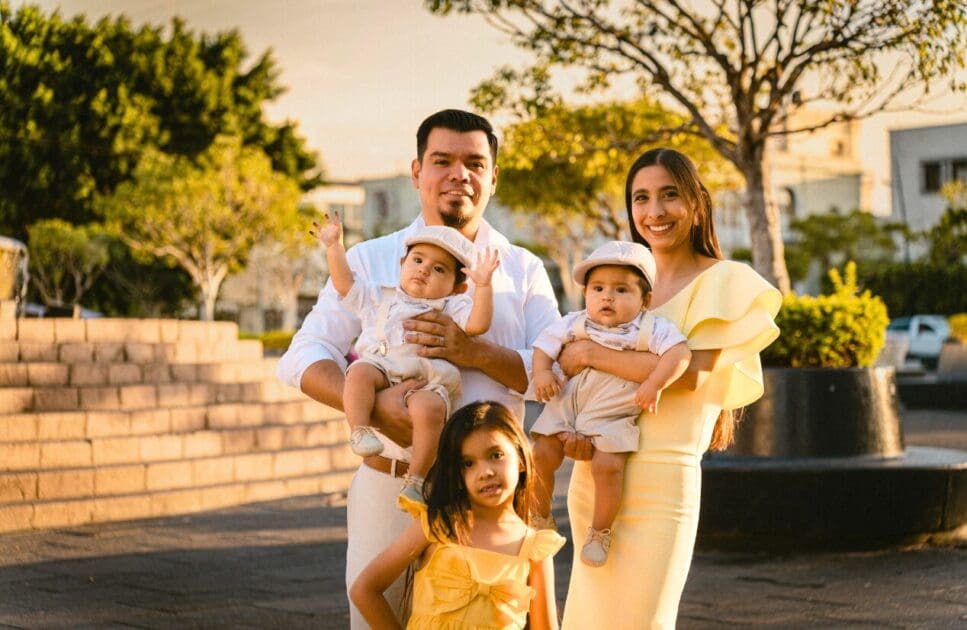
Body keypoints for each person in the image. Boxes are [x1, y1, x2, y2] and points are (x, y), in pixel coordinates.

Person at [276, 109, 560, 628]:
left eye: (475, 162)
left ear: (493, 176)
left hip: (493, 498)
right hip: (392, 486)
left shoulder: (523, 269)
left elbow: (556, 374)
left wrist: (472, 352)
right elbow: (303, 356)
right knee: (377, 617)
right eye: (442, 161)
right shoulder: (370, 259)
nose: (460, 174)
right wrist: (377, 408)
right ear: (416, 172)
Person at [557, 148, 782, 629]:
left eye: (669, 195)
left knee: (646, 621)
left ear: (697, 201)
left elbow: (692, 375)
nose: (654, 212)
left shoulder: (725, 281)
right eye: (641, 198)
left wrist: (592, 355)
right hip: (595, 479)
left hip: (664, 483)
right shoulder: (617, 283)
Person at [311, 215, 500, 504]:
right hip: (382, 366)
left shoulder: (451, 306)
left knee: (431, 410)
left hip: (427, 377)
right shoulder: (381, 296)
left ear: (456, 286)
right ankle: (359, 430)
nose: (424, 271)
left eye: (438, 269)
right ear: (402, 264)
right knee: (358, 373)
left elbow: (477, 325)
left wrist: (484, 286)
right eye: (418, 260)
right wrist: (334, 246)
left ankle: (418, 478)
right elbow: (345, 284)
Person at [529, 240, 692, 568]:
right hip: (566, 404)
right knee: (541, 454)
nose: (607, 297)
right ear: (586, 294)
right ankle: (539, 514)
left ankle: (600, 531)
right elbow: (542, 347)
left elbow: (681, 354)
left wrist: (654, 383)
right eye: (598, 288)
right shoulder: (573, 323)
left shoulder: (651, 329)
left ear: (645, 300)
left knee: (608, 467)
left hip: (613, 412)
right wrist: (543, 372)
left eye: (621, 290)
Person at [350, 401, 565, 630]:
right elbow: (364, 589)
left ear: (522, 459)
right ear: (457, 474)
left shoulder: (534, 547)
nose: (485, 472)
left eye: (496, 455)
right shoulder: (437, 525)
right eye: (468, 463)